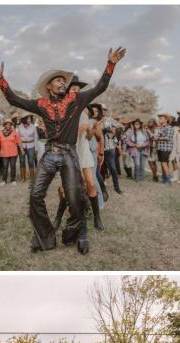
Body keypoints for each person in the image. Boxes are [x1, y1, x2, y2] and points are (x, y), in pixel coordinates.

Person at [0, 46, 126, 255]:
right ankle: (45, 237)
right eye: (58, 80)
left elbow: (101, 87)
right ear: (49, 86)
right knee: (35, 195)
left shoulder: (76, 99)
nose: (63, 83)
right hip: (50, 153)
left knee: (76, 197)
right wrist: (0, 78)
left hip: (70, 153)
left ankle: (75, 234)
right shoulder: (40, 104)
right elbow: (14, 99)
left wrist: (111, 64)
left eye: (63, 81)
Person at [54, 78, 104, 232]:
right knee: (65, 188)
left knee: (91, 184)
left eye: (78, 89)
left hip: (83, 151)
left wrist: (89, 130)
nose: (76, 91)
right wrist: (78, 130)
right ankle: (58, 218)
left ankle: (97, 217)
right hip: (69, 152)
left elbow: (88, 137)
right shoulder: (62, 111)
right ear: (67, 92)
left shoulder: (83, 111)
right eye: (73, 88)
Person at [0, 120, 21, 184]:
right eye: (7, 124)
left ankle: (13, 180)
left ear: (11, 125)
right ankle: (4, 180)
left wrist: (22, 149)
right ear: (4, 125)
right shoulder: (0, 133)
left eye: (9, 124)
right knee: (5, 166)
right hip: (4, 153)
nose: (8, 126)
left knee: (13, 166)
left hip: (13, 152)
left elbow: (18, 142)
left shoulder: (14, 133)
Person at [154, 113, 175, 185]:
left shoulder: (169, 127)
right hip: (160, 148)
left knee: (164, 163)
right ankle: (164, 178)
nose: (159, 120)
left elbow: (167, 138)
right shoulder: (160, 128)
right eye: (159, 118)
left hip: (166, 148)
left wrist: (158, 138)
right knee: (163, 163)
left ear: (166, 120)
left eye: (161, 118)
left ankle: (168, 180)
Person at [16, 114, 38, 183]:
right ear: (24, 119)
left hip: (31, 145)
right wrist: (21, 148)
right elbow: (18, 138)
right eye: (28, 119)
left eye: (30, 118)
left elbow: (35, 137)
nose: (30, 120)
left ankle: (32, 177)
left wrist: (36, 148)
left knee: (31, 161)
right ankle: (23, 177)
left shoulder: (33, 127)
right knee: (22, 161)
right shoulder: (19, 127)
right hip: (22, 146)